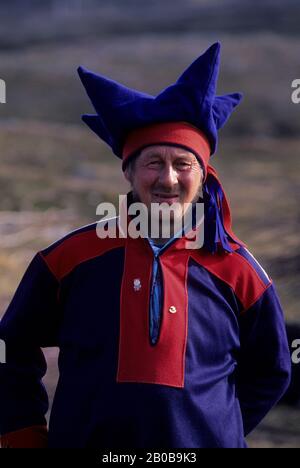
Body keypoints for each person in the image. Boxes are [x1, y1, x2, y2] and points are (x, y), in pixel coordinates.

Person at [0, 42, 291, 448]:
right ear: (130, 173)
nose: (168, 179)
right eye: (154, 162)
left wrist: (216, 431)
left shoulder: (238, 269)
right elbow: (9, 348)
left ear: (204, 174)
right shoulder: (70, 258)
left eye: (182, 164)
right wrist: (23, 435)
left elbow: (271, 371)